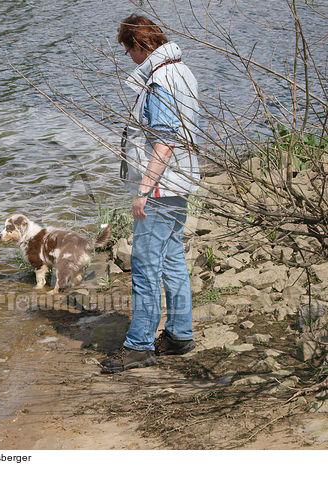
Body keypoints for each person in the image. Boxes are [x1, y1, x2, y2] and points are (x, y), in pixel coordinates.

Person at [101, 14, 200, 373]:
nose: (128, 56)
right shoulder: (182, 70)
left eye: (128, 49)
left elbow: (164, 141)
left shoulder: (159, 81)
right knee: (172, 257)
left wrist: (144, 189)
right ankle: (179, 334)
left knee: (144, 265)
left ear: (139, 44)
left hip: (161, 185)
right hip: (182, 181)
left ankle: (139, 345)